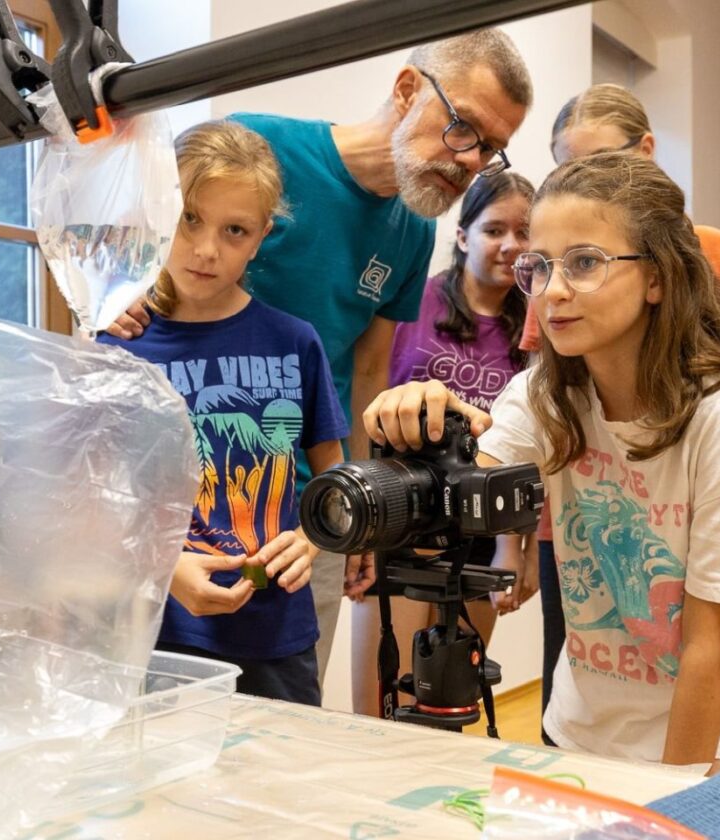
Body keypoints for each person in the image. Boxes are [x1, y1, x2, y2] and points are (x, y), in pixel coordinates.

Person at [360, 153, 720, 771]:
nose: (552, 292)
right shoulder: (544, 394)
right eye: (540, 266)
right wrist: (415, 439)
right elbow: (447, 506)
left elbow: (709, 650)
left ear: (657, 277)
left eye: (584, 263)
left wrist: (668, 800)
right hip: (594, 709)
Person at [105, 31, 533, 683]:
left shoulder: (413, 230)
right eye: (464, 127)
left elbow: (369, 369)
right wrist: (119, 293)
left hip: (306, 515)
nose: (471, 160)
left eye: (491, 148)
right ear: (408, 90)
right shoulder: (258, 146)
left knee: (286, 698)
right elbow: (145, 239)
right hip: (181, 511)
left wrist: (361, 515)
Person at [523, 84, 720, 739]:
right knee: (596, 653)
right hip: (587, 514)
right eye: (567, 167)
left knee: (689, 642)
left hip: (693, 509)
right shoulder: (557, 336)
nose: (556, 290)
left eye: (585, 262)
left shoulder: (711, 263)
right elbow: (532, 403)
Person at [98, 121, 350, 704]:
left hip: (277, 634)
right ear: (161, 212)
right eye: (190, 219)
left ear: (261, 237)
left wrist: (312, 538)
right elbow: (95, 502)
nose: (207, 249)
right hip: (155, 633)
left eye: (234, 230)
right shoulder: (117, 344)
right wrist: (167, 569)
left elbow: (334, 475)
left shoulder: (296, 342)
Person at [350, 171, 538, 717]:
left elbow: (531, 444)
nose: (510, 246)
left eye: (524, 233)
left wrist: (516, 547)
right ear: (462, 236)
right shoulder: (416, 303)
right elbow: (368, 388)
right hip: (402, 517)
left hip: (482, 527)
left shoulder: (537, 325)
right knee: (384, 708)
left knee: (450, 705)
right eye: (494, 230)